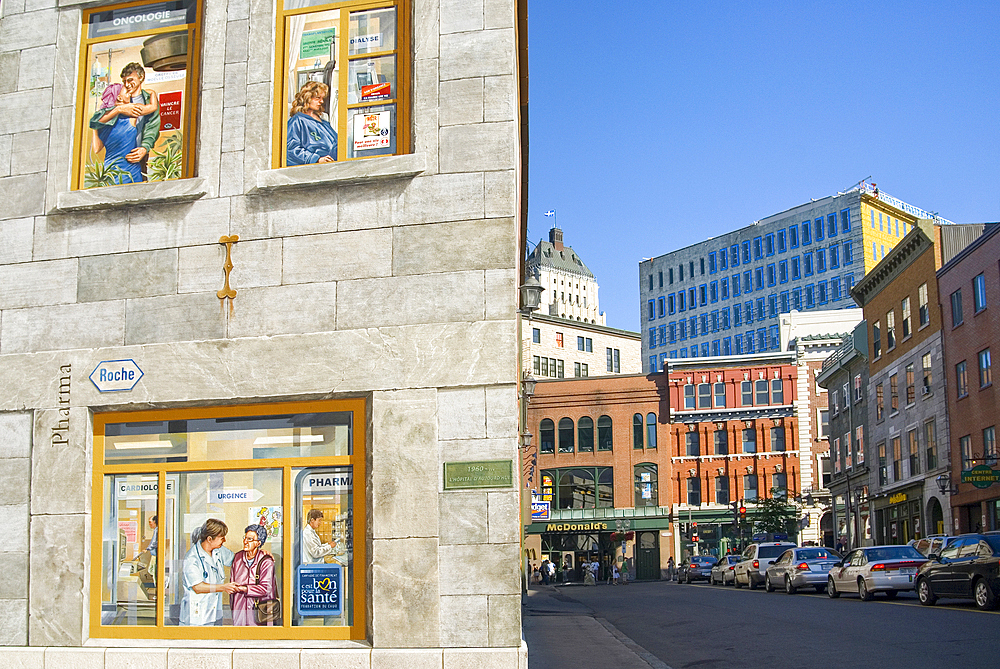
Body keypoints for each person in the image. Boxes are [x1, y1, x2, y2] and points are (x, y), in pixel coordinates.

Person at [89, 63, 161, 184]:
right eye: (124, 82)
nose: (127, 85)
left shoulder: (146, 98)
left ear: (141, 77)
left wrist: (144, 147)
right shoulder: (122, 101)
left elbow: (152, 126)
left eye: (130, 80)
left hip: (140, 154)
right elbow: (97, 121)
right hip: (123, 157)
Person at [180, 519, 238, 626]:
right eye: (222, 538)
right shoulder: (192, 558)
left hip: (215, 613)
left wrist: (259, 554)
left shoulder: (218, 550)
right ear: (210, 539)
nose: (224, 540)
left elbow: (237, 559)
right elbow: (198, 587)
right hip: (196, 617)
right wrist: (223, 587)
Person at [230, 524, 277, 626]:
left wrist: (244, 589)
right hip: (239, 612)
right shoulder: (237, 558)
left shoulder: (266, 562)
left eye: (250, 539)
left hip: (259, 614)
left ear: (258, 543)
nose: (245, 541)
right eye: (245, 538)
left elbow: (266, 588)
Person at [286, 81, 338, 166]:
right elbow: (291, 150)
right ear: (307, 98)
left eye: (322, 98)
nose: (321, 101)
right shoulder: (297, 121)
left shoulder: (325, 123)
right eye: (317, 98)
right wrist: (316, 159)